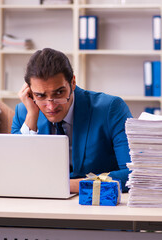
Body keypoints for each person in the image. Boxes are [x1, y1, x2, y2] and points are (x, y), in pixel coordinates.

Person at [11, 48, 132, 193]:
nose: (51, 106)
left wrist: (69, 186)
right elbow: (15, 173)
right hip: (42, 205)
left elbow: (132, 174)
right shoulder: (24, 113)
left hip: (96, 206)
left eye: (59, 93)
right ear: (29, 91)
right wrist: (31, 116)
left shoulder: (111, 109)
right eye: (41, 96)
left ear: (72, 82)